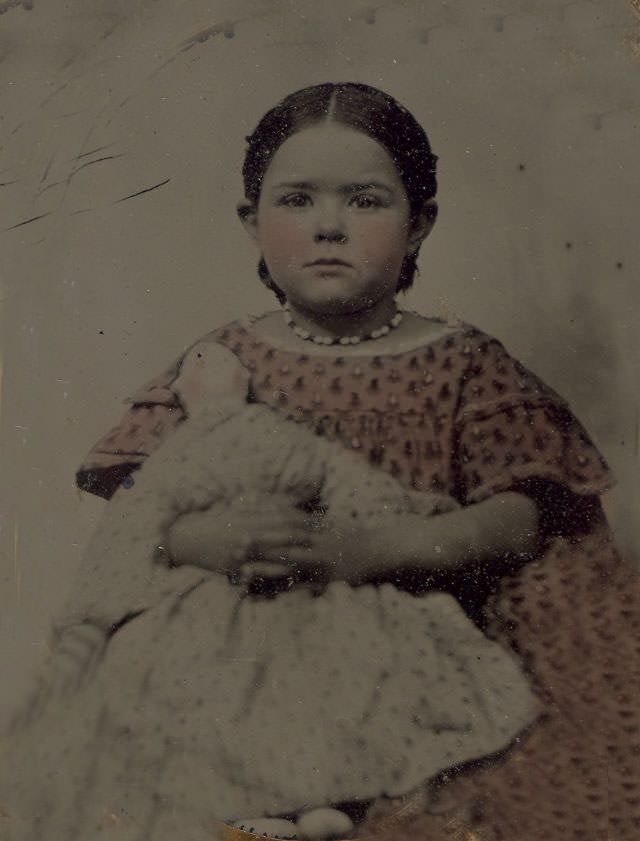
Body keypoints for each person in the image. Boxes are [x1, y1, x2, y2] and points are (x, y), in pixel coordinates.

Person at [5, 83, 636, 841]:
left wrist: (375, 549)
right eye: (297, 200)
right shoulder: (224, 359)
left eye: (367, 201)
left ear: (420, 222)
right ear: (252, 223)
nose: (329, 226)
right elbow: (147, 501)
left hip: (417, 633)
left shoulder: (463, 362)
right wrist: (209, 541)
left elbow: (526, 510)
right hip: (246, 649)